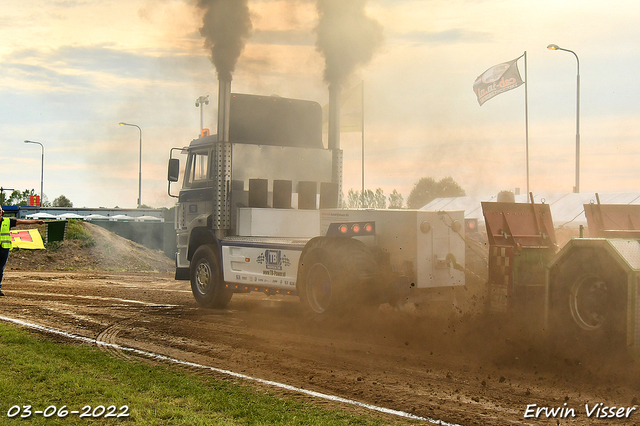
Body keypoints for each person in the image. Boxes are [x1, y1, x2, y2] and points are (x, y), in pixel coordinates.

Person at [0, 206, 44, 296]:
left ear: (2, 212)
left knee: (0, 269)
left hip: (4, 248)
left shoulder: (8, 221)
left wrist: (36, 221)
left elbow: (22, 221)